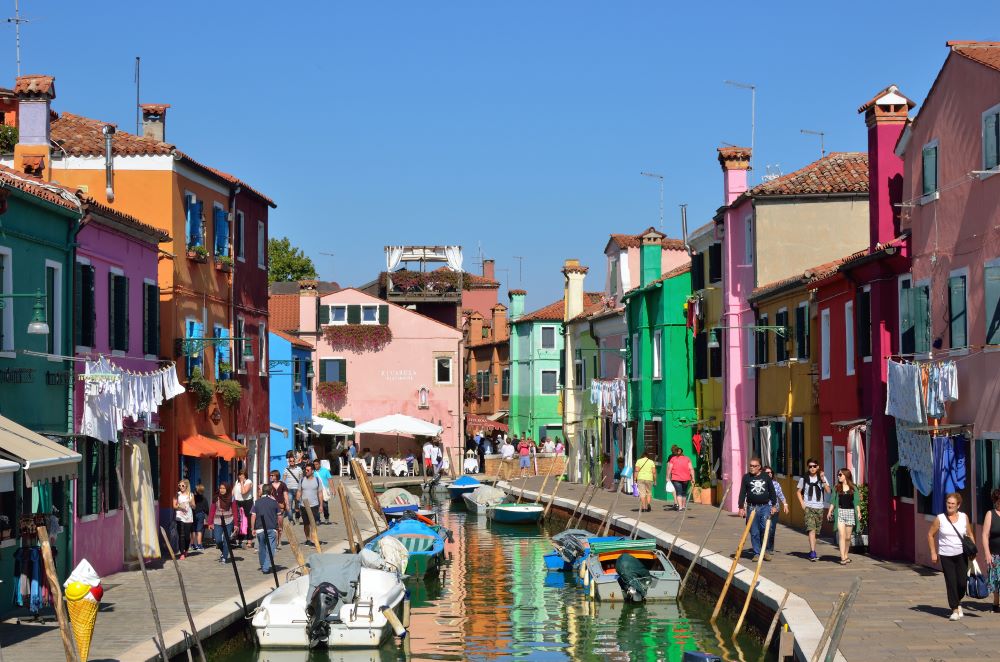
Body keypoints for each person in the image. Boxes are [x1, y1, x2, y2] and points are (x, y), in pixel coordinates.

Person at [928, 492, 976, 621]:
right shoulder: (940, 518)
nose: (950, 505)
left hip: (961, 554)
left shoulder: (964, 517)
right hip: (946, 555)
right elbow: (930, 535)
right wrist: (933, 552)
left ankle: (958, 601)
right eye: (948, 503)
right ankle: (954, 609)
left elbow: (970, 534)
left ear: (958, 505)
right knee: (951, 582)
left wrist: (973, 551)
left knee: (961, 583)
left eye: (952, 504)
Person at [737, 457, 777, 562]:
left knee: (766, 529)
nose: (752, 468)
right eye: (750, 465)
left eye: (754, 466)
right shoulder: (746, 477)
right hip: (751, 507)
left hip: (765, 507)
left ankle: (766, 551)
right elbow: (742, 493)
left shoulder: (766, 477)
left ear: (759, 467)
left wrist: (773, 505)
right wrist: (741, 507)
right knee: (754, 531)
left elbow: (772, 491)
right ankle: (757, 553)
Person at [796, 459, 830, 561]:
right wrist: (802, 503)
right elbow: (798, 492)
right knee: (811, 529)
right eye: (810, 466)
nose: (812, 468)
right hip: (809, 507)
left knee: (816, 532)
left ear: (818, 467)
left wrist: (823, 479)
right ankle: (813, 552)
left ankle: (812, 550)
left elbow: (828, 491)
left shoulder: (821, 478)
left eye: (814, 466)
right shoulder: (804, 478)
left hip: (819, 507)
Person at [826, 468, 862, 566]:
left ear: (846, 475)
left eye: (840, 475)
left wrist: (858, 512)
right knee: (841, 535)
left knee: (847, 537)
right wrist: (830, 511)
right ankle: (842, 557)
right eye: (838, 474)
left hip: (850, 512)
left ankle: (846, 554)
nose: (838, 476)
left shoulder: (853, 488)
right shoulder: (837, 487)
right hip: (840, 512)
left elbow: (856, 501)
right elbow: (833, 501)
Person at [251, 483, 281, 574]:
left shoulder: (257, 502)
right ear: (271, 491)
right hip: (271, 528)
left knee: (262, 547)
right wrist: (280, 527)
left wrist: (252, 528)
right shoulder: (274, 502)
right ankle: (266, 567)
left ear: (262, 491)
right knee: (271, 549)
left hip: (260, 529)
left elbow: (253, 516)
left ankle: (263, 564)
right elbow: (279, 517)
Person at [981, 488, 1000, 614]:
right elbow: (984, 535)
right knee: (996, 581)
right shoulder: (990, 514)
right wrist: (987, 553)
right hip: (995, 554)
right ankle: (995, 602)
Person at [763, 466, 789, 554]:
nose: (770, 474)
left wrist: (785, 504)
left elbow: (781, 495)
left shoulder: (776, 484)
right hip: (764, 509)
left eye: (771, 472)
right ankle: (763, 547)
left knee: (772, 529)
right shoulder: (760, 484)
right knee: (763, 529)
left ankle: (769, 548)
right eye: (767, 473)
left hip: (775, 509)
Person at [209, 482, 235, 563]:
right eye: (221, 488)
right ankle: (224, 552)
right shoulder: (216, 497)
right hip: (217, 520)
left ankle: (224, 557)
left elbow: (235, 511)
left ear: (227, 489)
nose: (222, 490)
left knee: (226, 539)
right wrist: (210, 522)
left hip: (229, 520)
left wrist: (236, 524)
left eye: (224, 488)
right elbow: (212, 510)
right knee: (218, 540)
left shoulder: (232, 498)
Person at [298, 463, 323, 543]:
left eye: (308, 470)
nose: (306, 471)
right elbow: (299, 492)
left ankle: (313, 539)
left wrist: (321, 505)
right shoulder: (302, 480)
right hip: (303, 505)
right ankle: (308, 538)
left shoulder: (317, 480)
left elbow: (320, 493)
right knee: (306, 524)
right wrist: (296, 503)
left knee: (313, 523)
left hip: (314, 505)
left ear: (312, 471)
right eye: (305, 470)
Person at [666, 446, 694, 511]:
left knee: (679, 493)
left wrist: (668, 477)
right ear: (682, 452)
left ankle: (680, 507)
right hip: (686, 478)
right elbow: (691, 468)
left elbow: (669, 468)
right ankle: (683, 506)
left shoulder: (673, 459)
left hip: (676, 478)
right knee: (684, 492)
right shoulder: (687, 459)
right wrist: (693, 478)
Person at [268, 470, 290, 546]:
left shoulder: (283, 485)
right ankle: (274, 540)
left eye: (272, 475)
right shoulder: (269, 485)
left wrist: (287, 505)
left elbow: (285, 495)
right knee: (274, 524)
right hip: (272, 507)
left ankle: (279, 540)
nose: (270, 477)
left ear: (276, 476)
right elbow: (268, 496)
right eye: (270, 475)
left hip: (281, 507)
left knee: (280, 524)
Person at [233, 470, 255, 548]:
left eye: (242, 475)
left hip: (247, 502)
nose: (240, 476)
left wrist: (242, 483)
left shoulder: (248, 482)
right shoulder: (237, 482)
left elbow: (243, 492)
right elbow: (233, 492)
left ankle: (249, 540)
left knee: (249, 521)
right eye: (239, 475)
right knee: (238, 520)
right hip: (238, 502)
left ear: (245, 475)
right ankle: (239, 539)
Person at [174, 479, 194, 559]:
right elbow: (174, 506)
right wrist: (180, 506)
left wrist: (191, 504)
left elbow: (194, 506)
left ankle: (186, 549)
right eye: (179, 485)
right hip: (180, 516)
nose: (181, 487)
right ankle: (182, 553)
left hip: (188, 517)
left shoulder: (190, 495)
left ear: (186, 486)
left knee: (186, 536)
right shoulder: (177, 494)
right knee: (181, 535)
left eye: (182, 485)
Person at [282, 454, 303, 524]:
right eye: (290, 461)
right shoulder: (286, 469)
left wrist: (301, 489)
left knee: (298, 505)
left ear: (295, 461)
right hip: (289, 490)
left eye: (293, 461)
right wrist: (283, 488)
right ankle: (291, 519)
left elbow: (301, 479)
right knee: (289, 505)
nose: (292, 462)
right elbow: (284, 480)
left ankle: (297, 517)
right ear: (289, 462)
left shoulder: (299, 469)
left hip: (297, 490)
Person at [313, 458, 334, 523]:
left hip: (324, 490)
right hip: (315, 490)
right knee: (316, 505)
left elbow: (330, 479)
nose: (315, 466)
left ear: (320, 464)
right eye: (314, 465)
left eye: (317, 464)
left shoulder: (325, 471)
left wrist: (333, 489)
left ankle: (326, 517)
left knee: (325, 505)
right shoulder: (313, 471)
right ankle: (317, 519)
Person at [192, 483, 209, 551]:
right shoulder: (204, 498)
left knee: (193, 530)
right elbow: (206, 509)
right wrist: (207, 516)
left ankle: (193, 545)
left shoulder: (193, 497)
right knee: (199, 530)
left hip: (193, 514)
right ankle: (199, 545)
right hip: (201, 514)